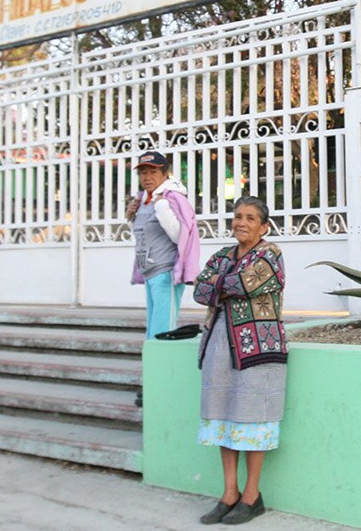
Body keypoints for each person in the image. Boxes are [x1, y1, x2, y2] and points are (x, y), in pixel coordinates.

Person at [192, 196, 288, 525]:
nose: (241, 223)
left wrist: (219, 284)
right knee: (222, 418)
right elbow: (199, 290)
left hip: (259, 351)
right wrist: (223, 285)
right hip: (220, 348)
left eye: (250, 218)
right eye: (237, 217)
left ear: (264, 226)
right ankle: (229, 493)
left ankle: (252, 495)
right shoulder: (222, 255)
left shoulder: (270, 254)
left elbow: (248, 282)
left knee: (252, 420)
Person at [127, 150, 200, 342]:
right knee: (152, 332)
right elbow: (144, 233)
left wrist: (162, 207)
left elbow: (180, 236)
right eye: (143, 172)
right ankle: (152, 371)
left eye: (153, 172)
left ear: (165, 174)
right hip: (150, 272)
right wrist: (131, 216)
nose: (147, 177)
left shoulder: (171, 198)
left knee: (162, 332)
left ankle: (162, 371)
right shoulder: (144, 199)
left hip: (166, 273)